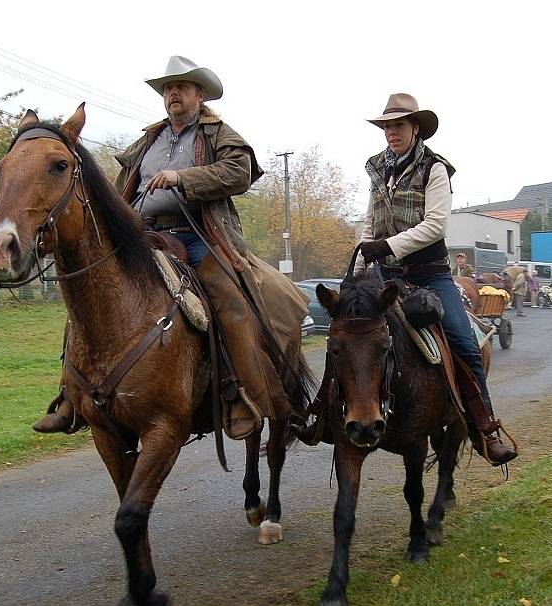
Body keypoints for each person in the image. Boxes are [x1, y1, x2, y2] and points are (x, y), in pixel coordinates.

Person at [33, 56, 308, 440]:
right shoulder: (149, 139)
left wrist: (183, 177)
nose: (173, 93)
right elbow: (120, 188)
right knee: (91, 299)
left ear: (199, 94)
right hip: (143, 235)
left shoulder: (217, 133)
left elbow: (239, 171)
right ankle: (70, 394)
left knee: (229, 301)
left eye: (181, 87)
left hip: (201, 237)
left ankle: (240, 395)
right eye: (168, 88)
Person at [357, 93, 517, 466]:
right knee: (351, 331)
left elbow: (435, 226)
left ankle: (485, 428)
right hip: (385, 273)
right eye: (387, 127)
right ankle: (324, 415)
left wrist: (386, 246)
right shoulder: (377, 168)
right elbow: (370, 219)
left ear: (416, 128)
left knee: (463, 341)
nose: (391, 133)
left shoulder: (435, 169)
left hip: (430, 275)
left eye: (398, 125)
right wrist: (365, 254)